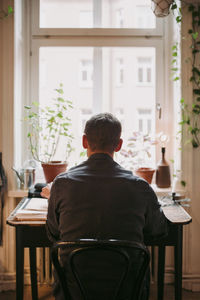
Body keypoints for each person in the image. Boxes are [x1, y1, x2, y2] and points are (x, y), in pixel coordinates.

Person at [44, 112, 168, 300]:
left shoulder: (61, 184)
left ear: (84, 142)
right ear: (119, 145)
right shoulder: (140, 186)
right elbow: (158, 230)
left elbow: (53, 233)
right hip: (128, 291)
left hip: (74, 290)